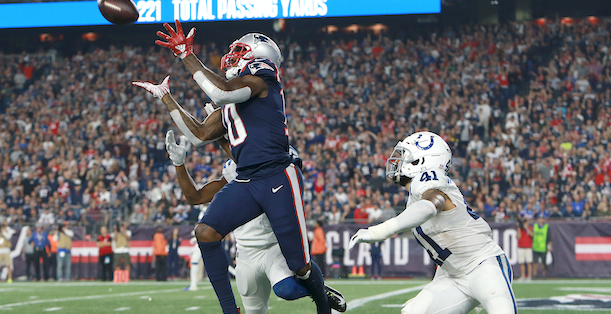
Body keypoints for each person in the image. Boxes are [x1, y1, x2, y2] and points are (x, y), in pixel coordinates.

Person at [134, 20, 335, 314]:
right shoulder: (232, 99)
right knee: (204, 232)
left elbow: (221, 92)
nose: (232, 55)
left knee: (301, 267)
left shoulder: (262, 78)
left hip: (276, 174)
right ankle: (231, 311)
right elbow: (199, 135)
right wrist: (166, 98)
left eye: (241, 51)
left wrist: (185, 55)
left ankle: (323, 307)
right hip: (247, 179)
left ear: (260, 56)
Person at [165, 130, 346, 313]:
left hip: (275, 248)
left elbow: (261, 166)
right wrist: (179, 164)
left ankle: (318, 291)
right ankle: (317, 288)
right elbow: (196, 197)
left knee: (287, 290)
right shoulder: (232, 170)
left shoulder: (279, 155)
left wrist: (219, 134)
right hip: (246, 253)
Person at [350, 132, 516, 314]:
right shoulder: (414, 196)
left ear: (421, 162)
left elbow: (431, 205)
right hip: (453, 277)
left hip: (484, 265)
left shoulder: (428, 179)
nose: (396, 160)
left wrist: (381, 231)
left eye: (404, 155)